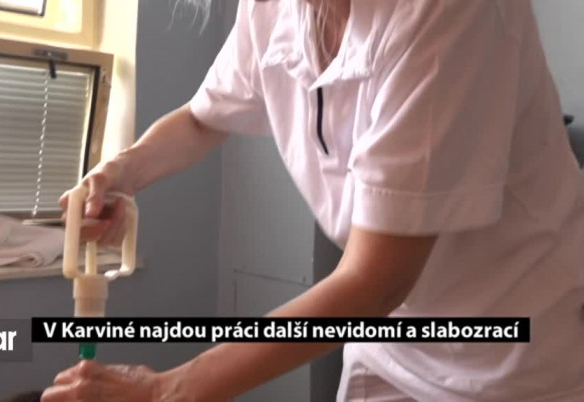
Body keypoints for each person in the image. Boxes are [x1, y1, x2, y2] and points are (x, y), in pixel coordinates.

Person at [43, 0, 584, 400]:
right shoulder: (273, 8)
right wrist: (121, 173)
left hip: (515, 359)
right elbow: (204, 117)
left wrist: (170, 390)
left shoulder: (450, 12)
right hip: (388, 345)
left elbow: (377, 280)